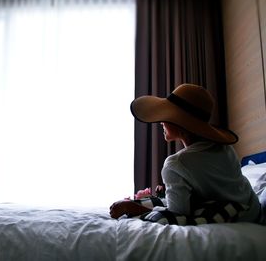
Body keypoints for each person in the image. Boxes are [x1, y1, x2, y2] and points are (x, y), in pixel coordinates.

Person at [109, 83, 264, 224]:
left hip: (240, 217)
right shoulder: (225, 148)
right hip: (253, 208)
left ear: (180, 122)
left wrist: (135, 208)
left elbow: (177, 213)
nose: (161, 122)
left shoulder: (176, 164)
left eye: (166, 116)